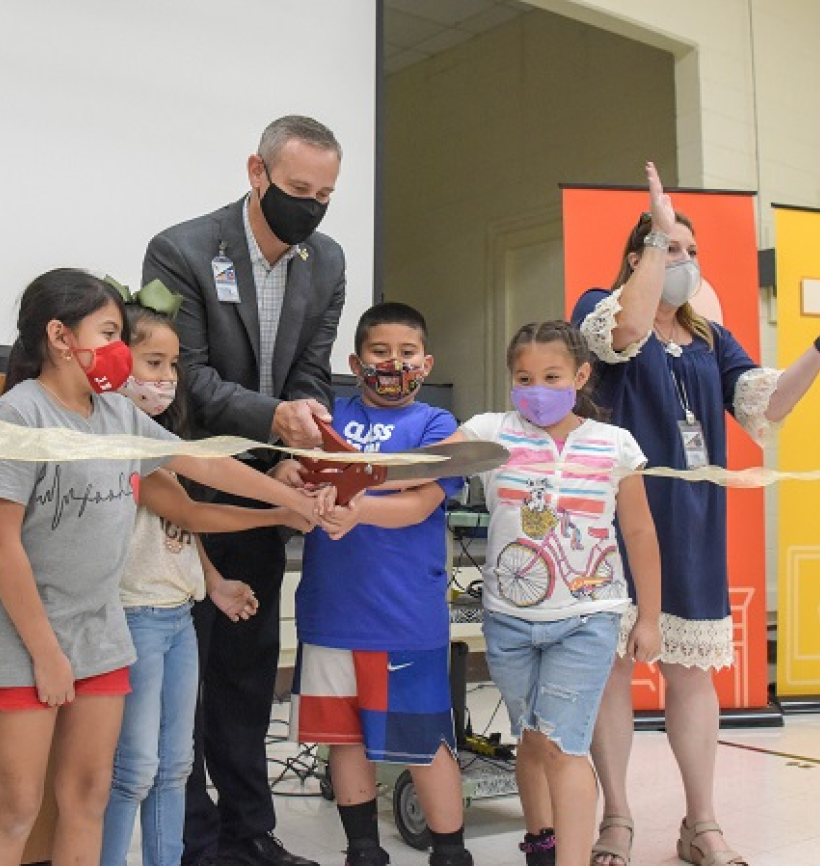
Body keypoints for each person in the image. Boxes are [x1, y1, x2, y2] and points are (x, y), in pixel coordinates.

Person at [572, 163, 820, 866]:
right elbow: (625, 329)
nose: (683, 261)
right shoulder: (600, 306)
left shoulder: (711, 338)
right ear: (640, 255)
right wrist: (659, 228)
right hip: (615, 526)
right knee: (611, 673)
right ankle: (617, 819)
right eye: (667, 247)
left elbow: (766, 404)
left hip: (691, 526)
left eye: (689, 251)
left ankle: (703, 823)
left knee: (693, 676)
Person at [0, 269, 329, 866]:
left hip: (102, 636)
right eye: (108, 332)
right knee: (16, 806)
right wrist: (46, 654)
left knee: (88, 797)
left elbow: (202, 463)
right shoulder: (17, 416)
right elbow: (0, 542)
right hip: (24, 637)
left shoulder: (116, 414)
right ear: (61, 337)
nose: (118, 349)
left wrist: (292, 502)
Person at [141, 115, 345, 866]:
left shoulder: (326, 262)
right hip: (189, 483)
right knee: (184, 678)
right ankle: (192, 840)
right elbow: (185, 379)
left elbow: (312, 371)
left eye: (325, 195)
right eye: (298, 190)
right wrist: (273, 419)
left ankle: (250, 835)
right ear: (256, 172)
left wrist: (296, 443)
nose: (312, 207)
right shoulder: (183, 249)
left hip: (265, 488)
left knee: (249, 668)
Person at [101, 289, 313, 866]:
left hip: (176, 617)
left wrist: (213, 581)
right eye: (154, 363)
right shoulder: (117, 432)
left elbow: (181, 533)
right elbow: (193, 508)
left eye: (174, 366)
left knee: (174, 765)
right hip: (137, 618)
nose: (168, 378)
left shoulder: (154, 432)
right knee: (135, 768)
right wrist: (283, 509)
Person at [449, 321, 661, 866]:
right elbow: (425, 462)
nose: (536, 388)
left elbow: (638, 533)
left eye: (551, 376)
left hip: (589, 617)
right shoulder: (490, 430)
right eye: (524, 377)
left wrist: (650, 618)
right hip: (509, 618)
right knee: (530, 737)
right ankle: (541, 844)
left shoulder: (616, 445)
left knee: (564, 745)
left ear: (581, 376)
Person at [273, 302, 472, 866]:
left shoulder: (437, 426)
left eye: (406, 354)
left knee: (422, 743)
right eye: (381, 353)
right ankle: (363, 851)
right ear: (356, 361)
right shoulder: (325, 419)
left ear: (426, 362)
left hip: (404, 618)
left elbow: (421, 503)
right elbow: (293, 478)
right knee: (344, 739)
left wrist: (359, 512)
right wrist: (288, 478)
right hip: (330, 612)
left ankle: (451, 852)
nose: (394, 363)